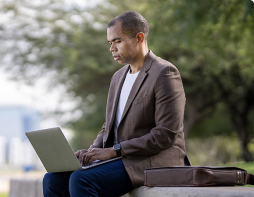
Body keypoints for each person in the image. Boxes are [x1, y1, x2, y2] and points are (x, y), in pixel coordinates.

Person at [43, 11, 189, 197]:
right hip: (123, 159)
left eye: (117, 41)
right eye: (110, 43)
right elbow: (108, 127)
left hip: (155, 160)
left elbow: (165, 134)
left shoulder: (164, 73)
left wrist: (115, 151)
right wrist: (91, 153)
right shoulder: (118, 77)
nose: (112, 48)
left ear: (139, 38)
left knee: (82, 179)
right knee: (53, 179)